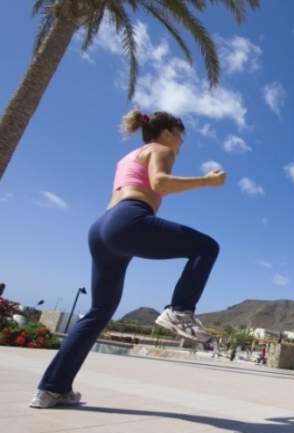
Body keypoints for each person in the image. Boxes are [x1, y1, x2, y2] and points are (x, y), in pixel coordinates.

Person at [29, 110, 225, 409]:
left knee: (99, 311)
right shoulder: (161, 149)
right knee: (206, 246)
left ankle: (52, 388)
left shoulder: (128, 156)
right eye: (180, 135)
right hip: (128, 221)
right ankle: (179, 310)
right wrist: (206, 182)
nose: (181, 142)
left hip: (102, 228)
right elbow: (159, 182)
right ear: (168, 133)